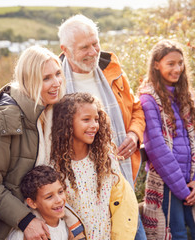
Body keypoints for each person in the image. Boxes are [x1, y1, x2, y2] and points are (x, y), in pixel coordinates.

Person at [0, 45, 85, 240]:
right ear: (29, 81)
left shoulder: (53, 114)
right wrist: (26, 221)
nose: (56, 82)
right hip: (16, 227)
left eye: (58, 74)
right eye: (46, 78)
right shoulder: (4, 123)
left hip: (52, 220)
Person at [57, 14, 145, 187]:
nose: (93, 52)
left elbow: (137, 109)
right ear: (65, 50)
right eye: (84, 47)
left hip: (122, 177)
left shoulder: (113, 70)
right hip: (78, 183)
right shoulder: (54, 82)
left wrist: (134, 134)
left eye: (95, 43)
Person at [51, 92, 139, 239]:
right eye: (86, 119)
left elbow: (121, 202)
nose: (94, 126)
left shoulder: (105, 157)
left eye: (96, 119)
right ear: (67, 122)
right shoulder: (56, 166)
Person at [138, 40, 195, 239]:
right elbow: (156, 148)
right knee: (175, 233)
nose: (177, 68)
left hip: (191, 181)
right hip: (168, 184)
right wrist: (182, 189)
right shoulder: (148, 99)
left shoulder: (185, 96)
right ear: (156, 64)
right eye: (170, 63)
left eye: (180, 63)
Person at [7, 165, 76, 240]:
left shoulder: (67, 226)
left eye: (60, 192)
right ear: (32, 203)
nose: (59, 200)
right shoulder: (24, 234)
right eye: (49, 197)